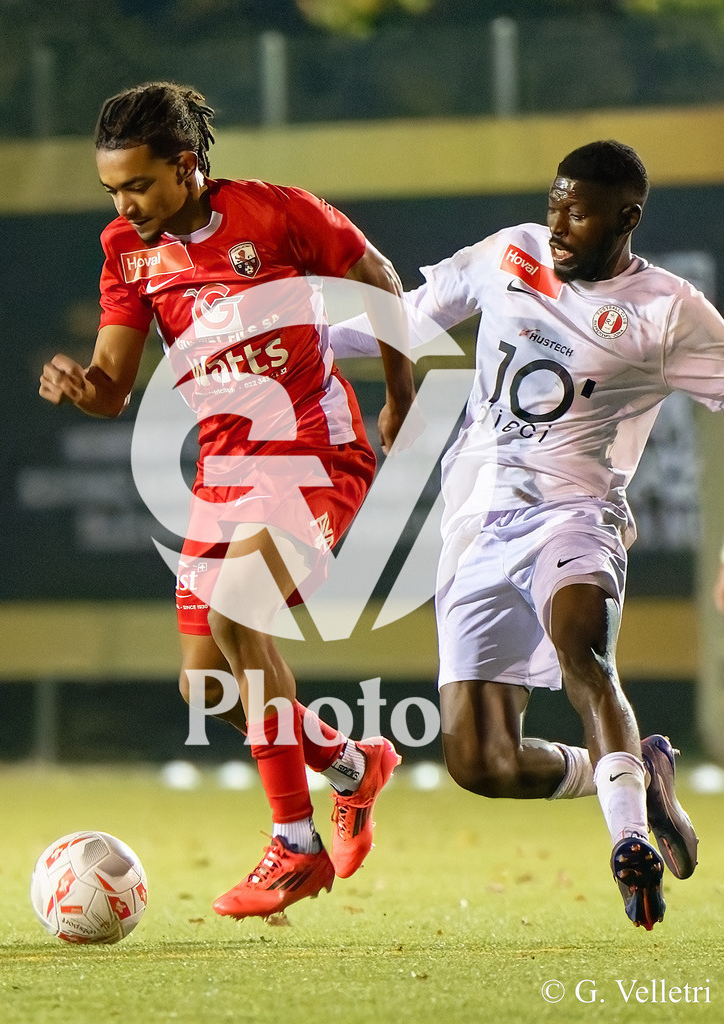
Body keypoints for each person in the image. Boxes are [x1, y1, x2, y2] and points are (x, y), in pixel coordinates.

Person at [39, 82, 415, 919]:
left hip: (314, 452)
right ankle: (354, 765)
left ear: (186, 166)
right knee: (205, 686)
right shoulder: (124, 252)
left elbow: (378, 276)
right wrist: (81, 384)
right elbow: (113, 390)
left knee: (239, 616)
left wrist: (400, 390)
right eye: (112, 190)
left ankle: (295, 844)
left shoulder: (273, 214)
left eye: (138, 185)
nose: (125, 204)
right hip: (224, 472)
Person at [331, 140, 724, 930]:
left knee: (582, 648)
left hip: (578, 513)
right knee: (482, 763)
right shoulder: (508, 253)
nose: (558, 223)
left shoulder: (668, 311)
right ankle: (633, 775)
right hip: (475, 522)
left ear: (626, 218)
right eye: (554, 203)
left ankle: (628, 841)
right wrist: (274, 349)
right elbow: (404, 318)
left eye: (577, 211)